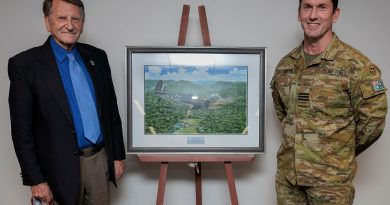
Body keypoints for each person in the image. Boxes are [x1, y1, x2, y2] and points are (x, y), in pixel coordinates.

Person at [8, 0, 126, 204]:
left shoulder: (98, 57)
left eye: (76, 19)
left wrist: (116, 157)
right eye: (62, 18)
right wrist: (36, 180)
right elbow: (22, 132)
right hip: (55, 168)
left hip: (98, 161)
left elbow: (111, 112)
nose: (70, 25)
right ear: (47, 22)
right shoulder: (25, 65)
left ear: (83, 22)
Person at [270, 0, 387, 204]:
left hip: (331, 183)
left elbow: (373, 121)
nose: (313, 15)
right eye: (307, 7)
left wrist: (338, 151)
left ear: (335, 15)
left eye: (322, 7)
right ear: (299, 14)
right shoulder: (285, 65)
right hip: (289, 179)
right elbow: (284, 113)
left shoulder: (356, 66)